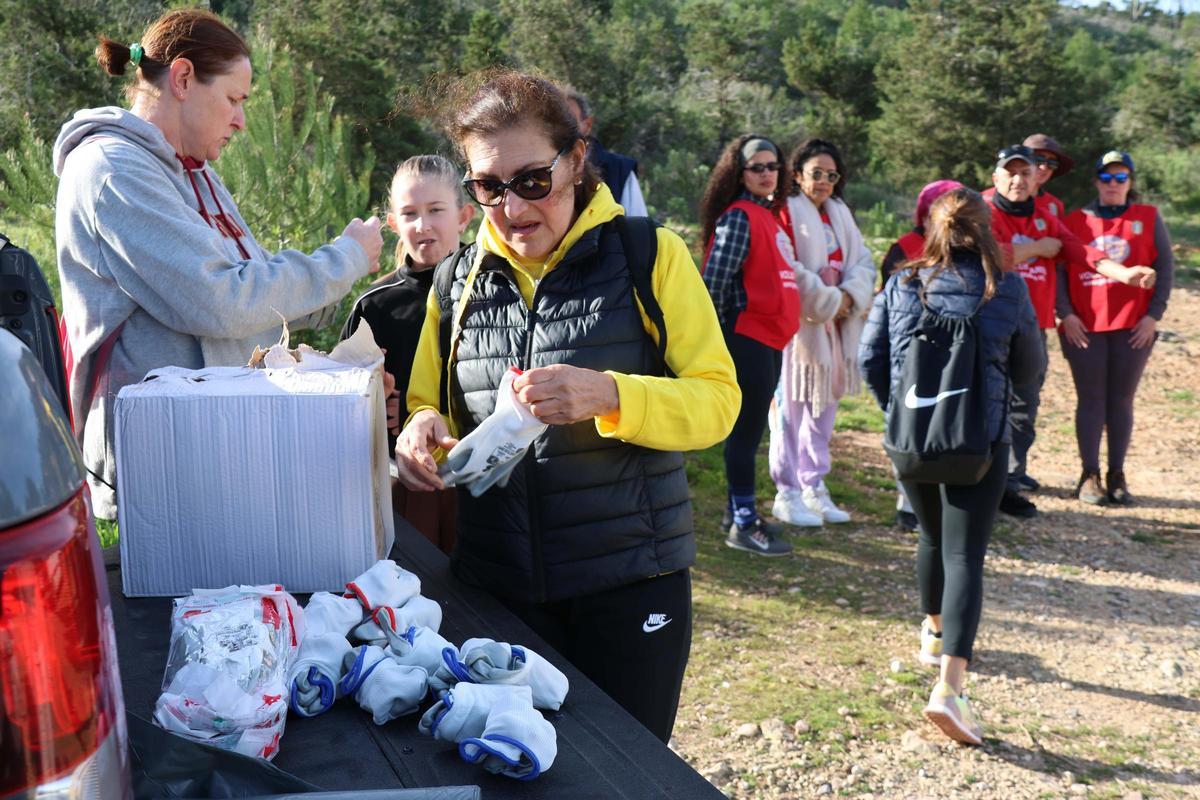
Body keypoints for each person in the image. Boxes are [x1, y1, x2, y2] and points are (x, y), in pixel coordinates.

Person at [394, 70, 739, 743]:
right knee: (512, 771)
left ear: (578, 160)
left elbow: (718, 403)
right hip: (497, 587)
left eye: (531, 181)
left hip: (630, 584)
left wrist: (612, 394)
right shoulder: (455, 280)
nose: (513, 208)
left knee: (625, 778)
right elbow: (427, 403)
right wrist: (418, 432)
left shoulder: (649, 255)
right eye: (487, 188)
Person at [55, 9, 382, 519]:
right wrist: (345, 259)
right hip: (160, 467)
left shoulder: (194, 173)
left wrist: (335, 320)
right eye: (233, 99)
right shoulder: (113, 169)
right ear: (183, 78)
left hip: (210, 446)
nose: (241, 120)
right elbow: (221, 301)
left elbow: (254, 292)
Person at [859, 188, 1045, 745]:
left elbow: (870, 358)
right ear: (987, 230)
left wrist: (899, 413)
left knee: (932, 540)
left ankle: (935, 633)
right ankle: (950, 689)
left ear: (933, 229)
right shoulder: (1005, 288)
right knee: (965, 554)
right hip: (978, 444)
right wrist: (1004, 413)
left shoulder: (901, 284)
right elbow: (1030, 366)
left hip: (912, 443)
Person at [341, 155, 475, 553]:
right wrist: (375, 408)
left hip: (485, 477)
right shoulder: (375, 305)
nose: (423, 225)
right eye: (410, 213)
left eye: (436, 210)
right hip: (406, 483)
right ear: (394, 223)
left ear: (464, 216)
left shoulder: (496, 286)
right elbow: (347, 404)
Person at [984, 145, 1115, 518]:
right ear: (996, 177)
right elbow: (990, 254)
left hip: (1033, 327)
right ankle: (982, 486)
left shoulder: (1046, 214)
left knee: (1025, 408)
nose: (1019, 179)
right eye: (1011, 172)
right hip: (989, 325)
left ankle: (1009, 485)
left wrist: (1123, 273)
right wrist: (1038, 249)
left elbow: (1077, 250)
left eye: (1027, 173)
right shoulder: (981, 210)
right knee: (988, 403)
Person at [699, 134, 809, 556]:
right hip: (746, 339)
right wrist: (721, 341)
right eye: (757, 167)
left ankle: (737, 511)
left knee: (754, 431)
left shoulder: (772, 216)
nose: (767, 174)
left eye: (773, 166)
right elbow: (713, 285)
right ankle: (743, 524)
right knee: (745, 435)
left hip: (769, 341)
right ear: (739, 173)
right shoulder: (740, 217)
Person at [770, 138, 875, 525]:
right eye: (816, 173)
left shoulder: (840, 214)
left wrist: (848, 297)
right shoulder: (785, 212)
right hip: (798, 330)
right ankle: (788, 491)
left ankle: (815, 487)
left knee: (824, 409)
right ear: (797, 175)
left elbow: (863, 262)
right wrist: (829, 300)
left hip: (835, 325)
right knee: (791, 410)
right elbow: (788, 267)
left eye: (832, 175)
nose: (825, 182)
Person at [1058, 150, 1172, 505]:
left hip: (1133, 326)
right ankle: (1089, 474)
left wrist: (1153, 316)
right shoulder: (1075, 219)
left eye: (1120, 178)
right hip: (1083, 326)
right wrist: (1066, 313)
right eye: (1106, 178)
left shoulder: (1148, 217)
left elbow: (1165, 268)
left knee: (1121, 400)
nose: (1112, 185)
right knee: (1090, 398)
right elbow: (1059, 270)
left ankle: (1117, 473)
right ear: (1096, 182)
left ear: (1130, 183)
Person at [879, 179, 964, 533]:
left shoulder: (968, 251)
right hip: (911, 358)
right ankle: (908, 504)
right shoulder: (905, 248)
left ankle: (946, 501)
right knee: (910, 432)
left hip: (953, 360)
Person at [563, 87, 648, 216]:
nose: (561, 129)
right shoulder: (540, 172)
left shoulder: (620, 170)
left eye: (570, 121)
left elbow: (638, 225)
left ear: (587, 125)